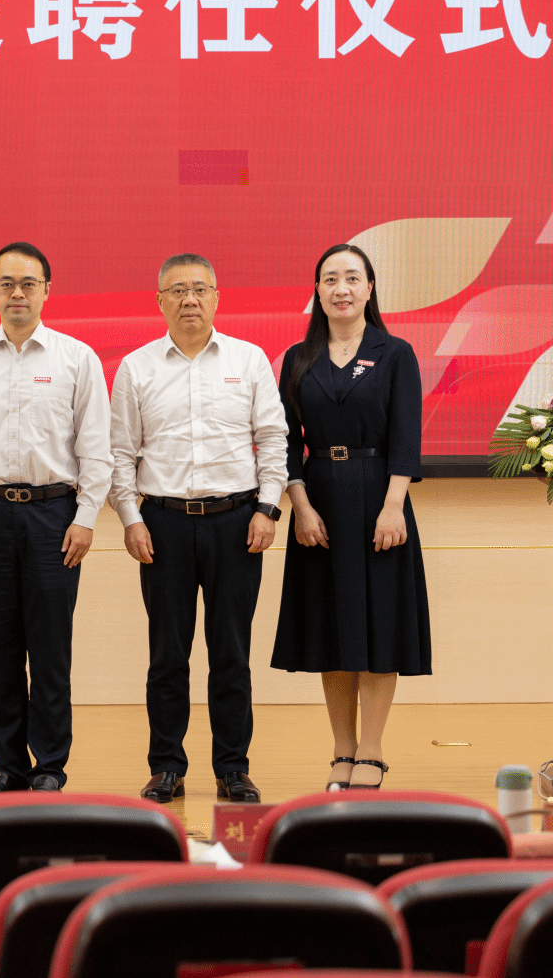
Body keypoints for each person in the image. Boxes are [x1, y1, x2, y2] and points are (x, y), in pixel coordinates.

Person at [109, 253, 287, 805]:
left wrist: (267, 508)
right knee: (167, 655)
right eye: (178, 290)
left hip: (238, 523)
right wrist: (131, 519)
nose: (189, 299)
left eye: (200, 289)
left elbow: (272, 439)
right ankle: (166, 766)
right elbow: (120, 453)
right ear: (160, 300)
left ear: (216, 297)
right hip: (162, 525)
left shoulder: (248, 360)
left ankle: (233, 768)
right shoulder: (136, 367)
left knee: (230, 654)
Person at [0, 242, 110, 795]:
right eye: (6, 283)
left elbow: (96, 448)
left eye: (28, 283)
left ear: (46, 291)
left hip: (54, 516)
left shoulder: (76, 359)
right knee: (0, 649)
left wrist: (86, 517)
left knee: (51, 647)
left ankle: (51, 766)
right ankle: (9, 765)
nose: (17, 293)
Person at [271, 243, 430, 791]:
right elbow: (285, 441)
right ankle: (342, 748)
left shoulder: (395, 353)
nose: (341, 288)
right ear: (317, 291)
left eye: (352, 278)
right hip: (318, 501)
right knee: (331, 626)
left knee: (379, 623)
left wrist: (393, 506)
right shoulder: (298, 357)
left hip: (380, 497)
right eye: (330, 279)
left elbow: (406, 436)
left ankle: (372, 750)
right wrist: (300, 505)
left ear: (369, 288)